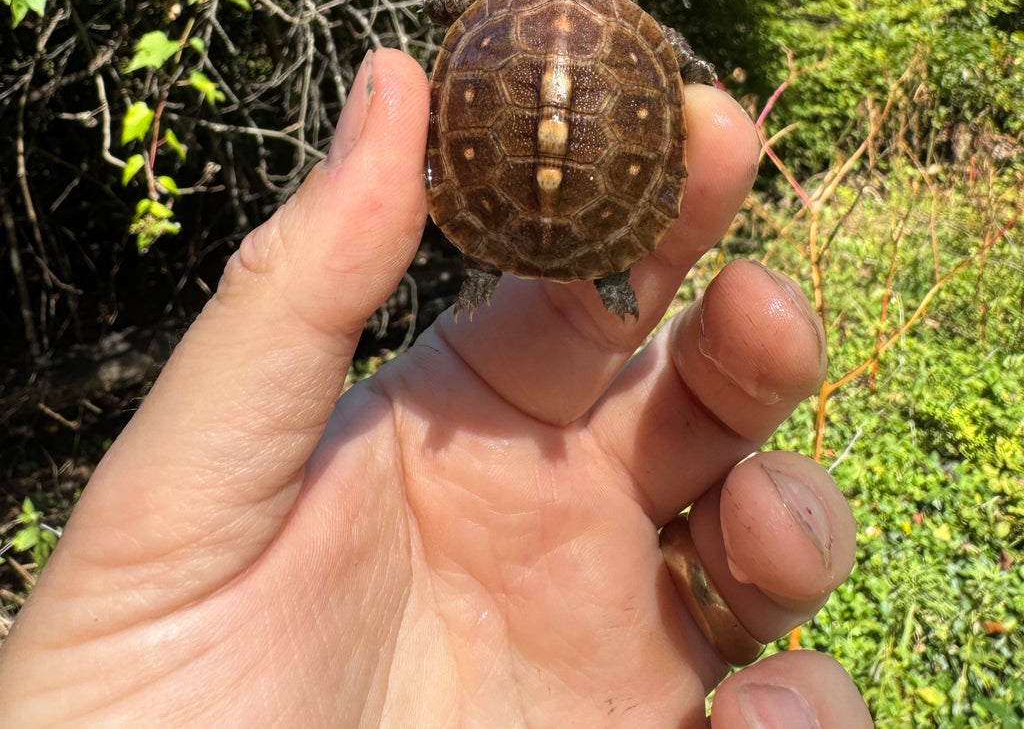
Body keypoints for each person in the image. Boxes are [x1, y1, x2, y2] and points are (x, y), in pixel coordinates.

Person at [0, 49, 872, 728]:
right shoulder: (635, 47)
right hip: (595, 218)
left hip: (500, 220)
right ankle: (600, 271)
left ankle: (524, 269)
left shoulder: (487, 23)